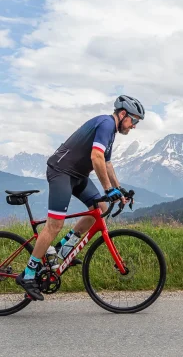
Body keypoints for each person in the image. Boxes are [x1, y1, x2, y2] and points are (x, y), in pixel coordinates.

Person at [16, 95, 145, 301]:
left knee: (101, 208)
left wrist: (118, 190)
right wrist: (107, 188)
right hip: (61, 173)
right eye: (134, 120)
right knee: (54, 225)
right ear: (122, 114)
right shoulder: (105, 124)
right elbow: (96, 157)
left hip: (78, 176)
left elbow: (107, 164)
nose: (135, 126)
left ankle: (60, 252)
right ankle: (29, 274)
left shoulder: (110, 132)